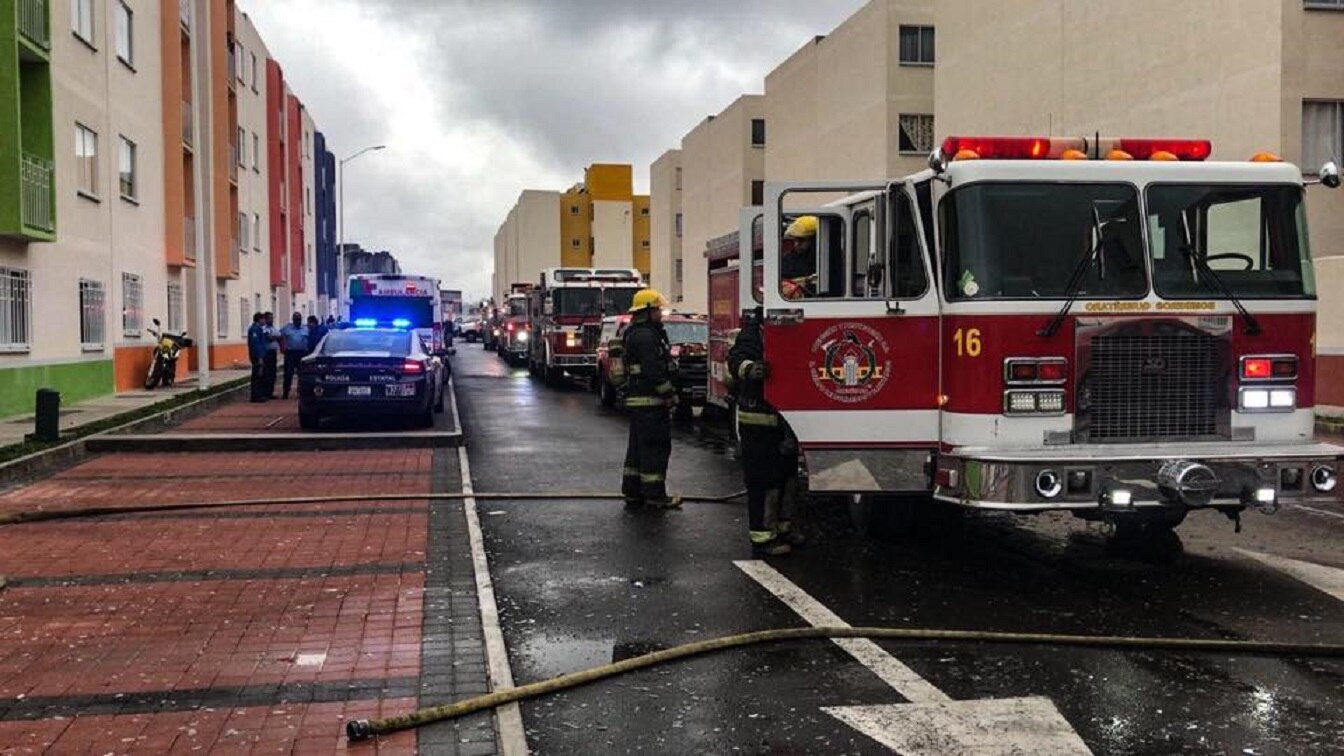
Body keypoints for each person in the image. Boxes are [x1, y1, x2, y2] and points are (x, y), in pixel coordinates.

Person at [727, 307, 804, 556]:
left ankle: (783, 529)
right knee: (764, 482)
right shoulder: (752, 335)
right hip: (758, 421)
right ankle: (763, 538)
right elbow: (736, 359)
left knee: (787, 479)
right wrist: (750, 369)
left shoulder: (791, 333)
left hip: (784, 420)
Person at [620, 288, 680, 509]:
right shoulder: (646, 336)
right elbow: (653, 369)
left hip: (640, 401)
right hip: (651, 402)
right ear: (647, 311)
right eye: (657, 309)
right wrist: (669, 394)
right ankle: (655, 496)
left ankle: (633, 492)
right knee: (655, 448)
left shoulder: (636, 332)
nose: (660, 313)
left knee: (637, 449)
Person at [781, 215, 818, 300]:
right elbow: (780, 284)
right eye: (795, 240)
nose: (797, 244)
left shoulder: (825, 258)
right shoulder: (788, 260)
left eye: (801, 240)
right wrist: (806, 281)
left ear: (814, 240)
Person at [247, 313, 268, 403]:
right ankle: (256, 396)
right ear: (259, 319)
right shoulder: (254, 329)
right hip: (257, 356)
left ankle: (259, 394)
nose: (265, 321)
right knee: (257, 375)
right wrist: (259, 357)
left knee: (260, 375)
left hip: (260, 355)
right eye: (263, 319)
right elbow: (256, 345)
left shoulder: (259, 329)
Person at [261, 312, 280, 399]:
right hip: (266, 353)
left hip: (273, 353)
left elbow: (279, 336)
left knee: (273, 374)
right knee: (266, 373)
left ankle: (270, 392)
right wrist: (276, 337)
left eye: (272, 318)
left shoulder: (274, 328)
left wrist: (275, 337)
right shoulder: (263, 328)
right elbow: (268, 338)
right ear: (265, 319)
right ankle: (265, 392)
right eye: (269, 318)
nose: (271, 320)